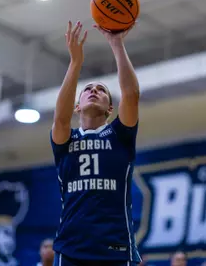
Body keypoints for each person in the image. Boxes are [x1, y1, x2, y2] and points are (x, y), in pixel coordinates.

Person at [50, 20, 141, 266]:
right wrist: (75, 63)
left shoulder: (119, 136)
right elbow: (60, 118)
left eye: (101, 90)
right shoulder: (66, 140)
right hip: (71, 249)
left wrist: (116, 43)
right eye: (87, 89)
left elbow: (131, 95)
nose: (93, 90)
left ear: (110, 108)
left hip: (114, 248)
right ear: (77, 106)